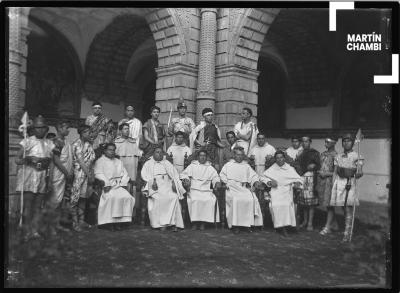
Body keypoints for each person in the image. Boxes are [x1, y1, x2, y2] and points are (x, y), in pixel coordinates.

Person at [15, 115, 55, 240]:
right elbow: (17, 160)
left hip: (42, 177)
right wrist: (28, 159)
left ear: (46, 129)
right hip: (28, 176)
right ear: (33, 129)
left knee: (38, 206)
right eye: (37, 128)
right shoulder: (27, 141)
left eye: (43, 128)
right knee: (28, 205)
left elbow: (51, 164)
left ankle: (35, 231)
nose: (40, 130)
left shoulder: (49, 144)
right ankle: (26, 231)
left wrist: (50, 180)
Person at [219, 146, 263, 234]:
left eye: (241, 155)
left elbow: (253, 176)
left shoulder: (246, 166)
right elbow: (222, 175)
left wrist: (255, 182)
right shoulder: (228, 165)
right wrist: (226, 183)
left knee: (250, 199)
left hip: (243, 188)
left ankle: (247, 224)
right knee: (236, 200)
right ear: (234, 155)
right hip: (231, 188)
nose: (239, 157)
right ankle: (235, 225)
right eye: (238, 155)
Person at [141, 147, 186, 231]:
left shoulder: (167, 163)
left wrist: (173, 182)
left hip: (167, 185)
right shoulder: (148, 164)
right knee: (159, 199)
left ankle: (173, 223)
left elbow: (175, 175)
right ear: (153, 154)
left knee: (174, 197)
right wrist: (151, 182)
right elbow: (144, 176)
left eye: (161, 152)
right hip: (155, 186)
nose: (159, 154)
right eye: (157, 152)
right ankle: (160, 224)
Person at [330, 133, 364, 242]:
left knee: (349, 207)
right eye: (344, 141)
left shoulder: (357, 156)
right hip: (339, 182)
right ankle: (347, 227)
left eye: (348, 141)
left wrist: (358, 172)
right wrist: (333, 183)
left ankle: (347, 233)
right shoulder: (338, 156)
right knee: (343, 207)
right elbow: (335, 171)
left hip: (350, 181)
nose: (346, 143)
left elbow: (360, 172)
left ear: (353, 143)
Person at [93, 143, 135, 231]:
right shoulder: (100, 161)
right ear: (105, 151)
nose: (112, 152)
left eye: (113, 150)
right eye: (109, 150)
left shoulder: (118, 161)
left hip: (118, 185)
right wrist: (106, 184)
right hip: (107, 186)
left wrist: (123, 183)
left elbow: (124, 173)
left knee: (127, 197)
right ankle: (109, 223)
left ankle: (119, 221)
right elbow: (98, 173)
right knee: (112, 197)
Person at [261, 151, 303, 237]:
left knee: (287, 204)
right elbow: (262, 177)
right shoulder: (272, 168)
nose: (280, 159)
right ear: (275, 159)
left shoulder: (290, 168)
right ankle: (281, 227)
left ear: (284, 158)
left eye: (281, 157)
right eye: (277, 158)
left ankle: (288, 225)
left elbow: (299, 179)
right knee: (277, 204)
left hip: (287, 190)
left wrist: (297, 183)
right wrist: (269, 182)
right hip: (276, 190)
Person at [180, 149, 221, 230]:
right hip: (193, 189)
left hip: (206, 190)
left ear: (206, 157)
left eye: (204, 156)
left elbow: (215, 177)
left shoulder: (210, 167)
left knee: (209, 200)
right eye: (201, 155)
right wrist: (186, 179)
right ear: (198, 157)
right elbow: (183, 174)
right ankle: (194, 222)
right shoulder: (192, 166)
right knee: (194, 199)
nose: (202, 157)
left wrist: (217, 182)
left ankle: (203, 222)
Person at [46, 121, 73, 233]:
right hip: (58, 173)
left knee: (60, 201)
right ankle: (50, 227)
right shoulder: (57, 141)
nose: (68, 130)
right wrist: (66, 173)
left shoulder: (66, 142)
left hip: (65, 173)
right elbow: (56, 160)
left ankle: (56, 224)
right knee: (55, 200)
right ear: (59, 129)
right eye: (66, 128)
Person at [71, 125, 96, 232]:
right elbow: (81, 162)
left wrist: (91, 174)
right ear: (81, 133)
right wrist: (89, 175)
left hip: (87, 173)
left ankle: (81, 221)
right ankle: (74, 222)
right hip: (78, 174)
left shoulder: (88, 145)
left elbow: (91, 161)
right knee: (75, 198)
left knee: (83, 197)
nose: (89, 134)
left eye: (90, 132)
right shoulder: (76, 144)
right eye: (87, 132)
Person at [114, 122, 142, 218]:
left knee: (132, 189)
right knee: (122, 188)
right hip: (122, 168)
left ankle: (131, 215)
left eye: (128, 128)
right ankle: (120, 214)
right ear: (121, 130)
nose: (127, 130)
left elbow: (137, 155)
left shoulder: (133, 142)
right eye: (125, 129)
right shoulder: (117, 142)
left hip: (132, 168)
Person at [296, 136, 320, 231]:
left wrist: (314, 165)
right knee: (304, 202)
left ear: (310, 142)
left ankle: (310, 223)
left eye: (306, 141)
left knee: (311, 203)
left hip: (310, 178)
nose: (304, 143)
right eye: (303, 141)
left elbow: (319, 165)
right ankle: (305, 221)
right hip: (302, 177)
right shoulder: (300, 153)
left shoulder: (315, 153)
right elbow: (297, 164)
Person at [317, 136, 339, 235]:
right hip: (322, 181)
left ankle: (327, 226)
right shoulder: (323, 154)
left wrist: (326, 174)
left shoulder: (336, 155)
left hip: (330, 181)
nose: (325, 143)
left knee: (330, 204)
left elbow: (336, 172)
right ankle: (334, 224)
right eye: (325, 141)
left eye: (328, 142)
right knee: (326, 204)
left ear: (333, 143)